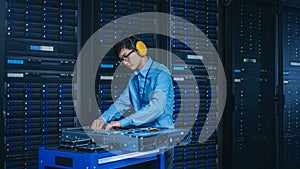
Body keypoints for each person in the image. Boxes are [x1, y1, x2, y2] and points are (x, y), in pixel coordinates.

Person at [91, 36, 174, 168]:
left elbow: (156, 108)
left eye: (126, 56)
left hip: (161, 140)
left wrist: (123, 122)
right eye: (121, 60)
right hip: (141, 139)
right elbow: (122, 103)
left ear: (140, 50)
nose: (124, 62)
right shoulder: (134, 78)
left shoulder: (161, 73)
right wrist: (103, 118)